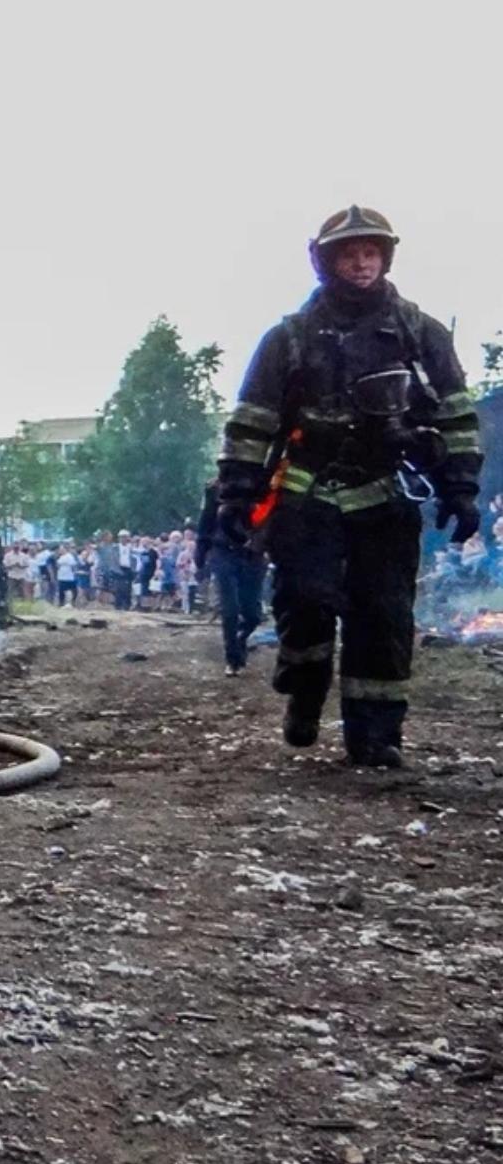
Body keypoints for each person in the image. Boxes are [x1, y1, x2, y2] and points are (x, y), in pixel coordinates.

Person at [215, 206, 483, 766]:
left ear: (386, 258)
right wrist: (237, 494)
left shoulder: (420, 332)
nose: (361, 264)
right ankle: (305, 694)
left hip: (385, 493)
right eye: (348, 254)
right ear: (325, 261)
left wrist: (460, 487)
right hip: (306, 492)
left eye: (370, 253)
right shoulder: (287, 338)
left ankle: (376, 736)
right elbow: (252, 422)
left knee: (383, 616)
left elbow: (457, 414)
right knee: (306, 603)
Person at [196, 479, 266, 676]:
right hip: (223, 552)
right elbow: (206, 519)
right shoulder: (215, 488)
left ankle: (241, 638)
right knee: (230, 609)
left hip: (253, 555)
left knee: (253, 614)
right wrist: (200, 552)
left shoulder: (264, 485)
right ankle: (232, 658)